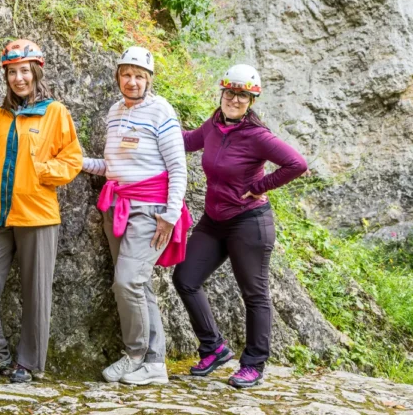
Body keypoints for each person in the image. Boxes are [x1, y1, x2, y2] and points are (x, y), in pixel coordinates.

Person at [172, 64, 307, 388]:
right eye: (230, 93)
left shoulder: (257, 136)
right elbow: (188, 141)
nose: (234, 99)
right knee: (185, 278)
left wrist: (260, 186)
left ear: (251, 101)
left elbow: (296, 164)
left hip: (248, 222)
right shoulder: (214, 125)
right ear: (222, 93)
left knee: (254, 295)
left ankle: (254, 364)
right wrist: (158, 124)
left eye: (242, 96)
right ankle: (214, 347)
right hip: (214, 221)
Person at [0, 39, 82, 383]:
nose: (19, 78)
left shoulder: (55, 112)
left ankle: (28, 363)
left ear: (36, 73)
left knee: (36, 291)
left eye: (25, 71)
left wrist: (42, 171)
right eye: (12, 72)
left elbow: (72, 159)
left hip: (37, 216)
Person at [81, 46, 191, 385]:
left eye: (139, 76)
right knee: (138, 284)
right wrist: (78, 163)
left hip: (151, 210)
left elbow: (178, 167)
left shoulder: (161, 110)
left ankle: (134, 355)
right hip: (118, 206)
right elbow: (111, 166)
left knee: (127, 281)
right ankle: (155, 364)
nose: (132, 81)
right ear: (118, 77)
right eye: (126, 75)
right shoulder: (114, 112)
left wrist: (170, 215)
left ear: (149, 80)